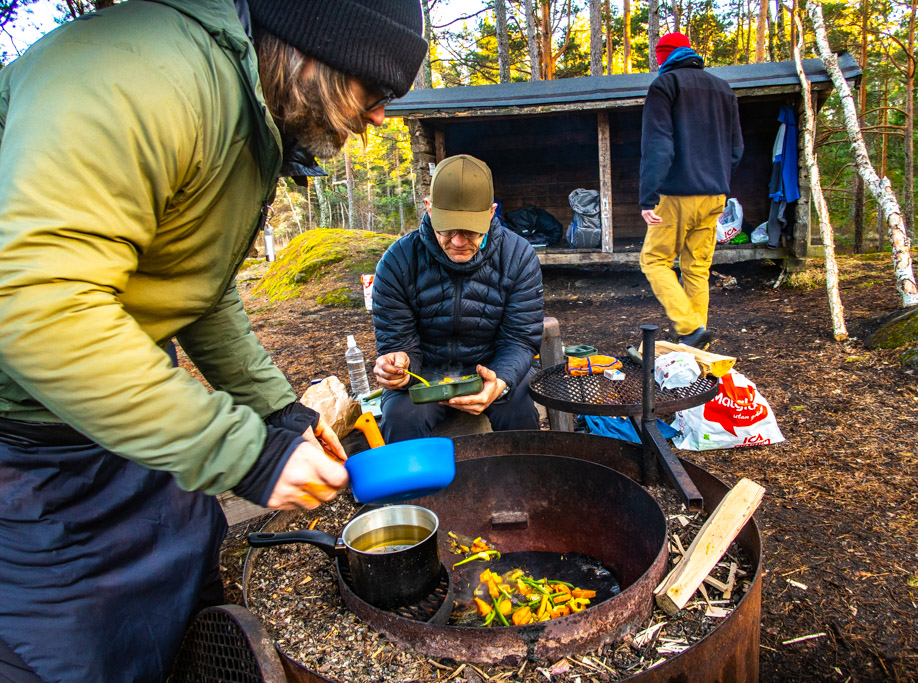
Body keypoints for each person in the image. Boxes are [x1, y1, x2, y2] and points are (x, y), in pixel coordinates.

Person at [0, 1, 426, 680]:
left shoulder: (248, 112)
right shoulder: (139, 78)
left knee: (185, 604)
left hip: (130, 415)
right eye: (373, 89)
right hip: (24, 455)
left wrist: (276, 413)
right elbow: (35, 306)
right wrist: (246, 451)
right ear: (312, 51)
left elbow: (195, 285)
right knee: (69, 655)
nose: (380, 115)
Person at [372, 155, 543, 442]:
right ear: (428, 209)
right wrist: (399, 365)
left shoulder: (519, 256)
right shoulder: (397, 262)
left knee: (520, 412)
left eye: (470, 230)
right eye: (447, 228)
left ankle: (522, 485)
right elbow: (398, 342)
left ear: (491, 213)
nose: (459, 241)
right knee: (400, 419)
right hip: (425, 376)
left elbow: (520, 339)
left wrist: (499, 381)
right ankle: (419, 489)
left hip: (492, 366)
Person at [638, 32, 744, 350]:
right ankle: (698, 345)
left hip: (677, 194)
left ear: (665, 56)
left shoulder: (665, 85)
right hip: (715, 196)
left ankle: (688, 327)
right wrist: (718, 181)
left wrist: (648, 195)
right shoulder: (724, 89)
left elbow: (659, 145)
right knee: (696, 267)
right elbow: (736, 149)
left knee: (654, 261)